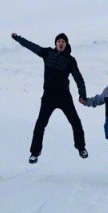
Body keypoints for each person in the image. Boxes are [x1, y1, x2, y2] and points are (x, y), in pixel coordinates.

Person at [11, 32, 88, 164]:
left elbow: (78, 78)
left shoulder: (70, 60)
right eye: (59, 41)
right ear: (55, 43)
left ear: (66, 44)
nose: (61, 43)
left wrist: (82, 95)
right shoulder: (47, 53)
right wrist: (18, 39)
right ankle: (34, 153)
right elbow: (32, 46)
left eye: (63, 41)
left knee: (75, 121)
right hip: (49, 96)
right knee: (40, 124)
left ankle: (81, 148)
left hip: (64, 96)